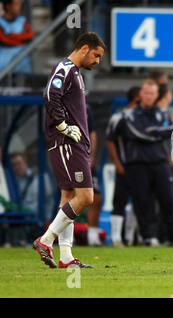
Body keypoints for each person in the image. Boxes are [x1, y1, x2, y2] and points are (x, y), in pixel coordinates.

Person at [32, 32, 106, 268]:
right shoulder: (64, 68)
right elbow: (49, 95)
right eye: (96, 55)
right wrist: (63, 126)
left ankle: (65, 257)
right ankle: (45, 240)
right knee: (86, 197)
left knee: (68, 198)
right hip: (67, 144)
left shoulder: (75, 73)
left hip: (75, 144)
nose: (97, 61)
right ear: (84, 48)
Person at [109, 79, 173, 247]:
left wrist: (156, 132)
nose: (149, 96)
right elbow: (139, 134)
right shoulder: (129, 115)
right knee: (143, 202)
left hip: (161, 161)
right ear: (141, 94)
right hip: (137, 163)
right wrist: (160, 132)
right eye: (146, 93)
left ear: (156, 96)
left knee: (168, 199)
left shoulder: (164, 114)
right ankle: (148, 237)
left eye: (152, 93)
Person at [106, 86, 141, 247]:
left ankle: (130, 237)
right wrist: (117, 163)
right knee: (119, 201)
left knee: (139, 202)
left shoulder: (144, 117)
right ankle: (116, 238)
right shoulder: (119, 118)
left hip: (141, 167)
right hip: (125, 166)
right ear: (137, 98)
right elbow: (110, 140)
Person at [85, 105, 103, 246]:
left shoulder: (85, 108)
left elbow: (92, 133)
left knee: (96, 198)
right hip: (68, 159)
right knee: (67, 197)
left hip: (84, 159)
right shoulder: (58, 108)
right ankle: (65, 238)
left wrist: (91, 156)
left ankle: (93, 236)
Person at [0, 0, 33, 73]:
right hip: (3, 66)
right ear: (8, 6)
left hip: (22, 65)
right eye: (17, 4)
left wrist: (12, 35)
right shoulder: (1, 22)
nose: (20, 7)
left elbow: (30, 36)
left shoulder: (22, 21)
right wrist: (21, 37)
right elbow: (4, 40)